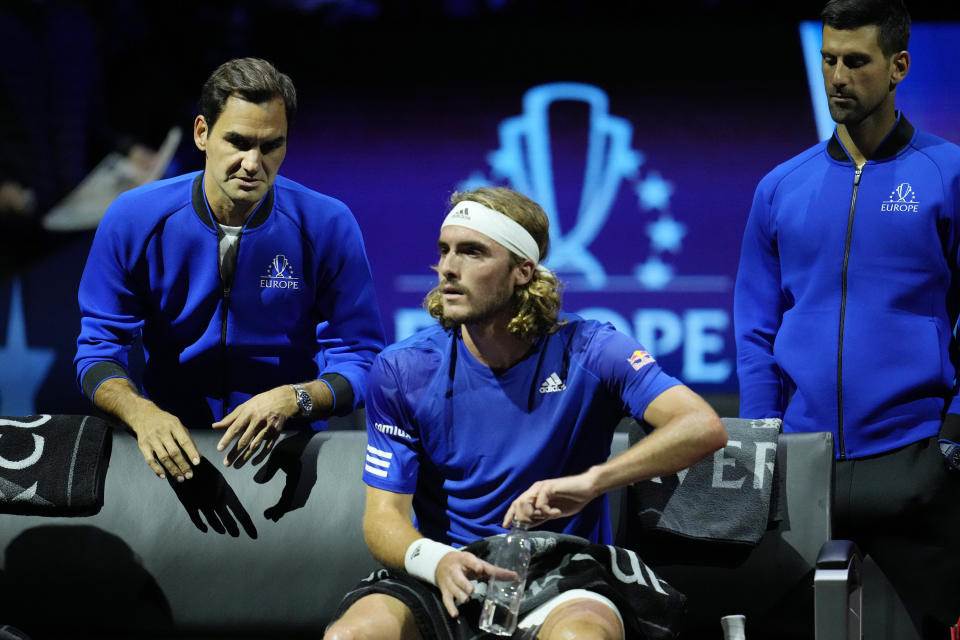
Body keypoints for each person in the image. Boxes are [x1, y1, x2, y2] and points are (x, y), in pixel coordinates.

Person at [324, 187, 727, 640]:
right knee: (351, 636)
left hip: (564, 573)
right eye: (444, 251)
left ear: (522, 272)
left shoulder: (592, 349)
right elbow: (382, 519)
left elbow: (701, 426)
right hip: (447, 569)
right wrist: (436, 561)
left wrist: (592, 482)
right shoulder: (402, 369)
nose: (449, 268)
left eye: (473, 252)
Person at [734, 1, 960, 637]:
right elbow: (754, 321)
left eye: (856, 62)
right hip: (803, 461)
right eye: (828, 60)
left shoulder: (947, 173)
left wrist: (954, 434)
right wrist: (763, 429)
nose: (838, 76)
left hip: (917, 455)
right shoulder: (780, 186)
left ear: (899, 67)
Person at [74, 57, 385, 483]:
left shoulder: (327, 224)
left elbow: (363, 358)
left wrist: (297, 399)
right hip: (167, 447)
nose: (253, 163)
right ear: (202, 133)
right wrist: (141, 413)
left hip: (286, 450)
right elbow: (97, 350)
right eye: (238, 142)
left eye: (271, 145)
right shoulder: (135, 217)